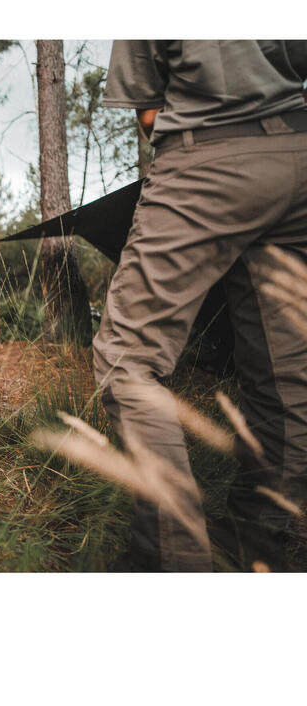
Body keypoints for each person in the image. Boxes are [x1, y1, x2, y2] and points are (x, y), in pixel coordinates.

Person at [94, 40, 307, 571]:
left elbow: (149, 112)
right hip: (298, 160)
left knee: (128, 359)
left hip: (205, 158)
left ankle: (174, 558)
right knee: (284, 371)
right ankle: (258, 537)